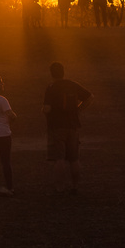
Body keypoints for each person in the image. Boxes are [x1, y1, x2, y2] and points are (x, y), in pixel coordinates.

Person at [43, 61, 92, 194]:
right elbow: (89, 97)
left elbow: (47, 108)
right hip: (73, 125)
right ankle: (75, 186)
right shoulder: (72, 84)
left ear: (51, 74)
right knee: (74, 159)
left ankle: (59, 188)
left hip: (57, 127)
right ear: (63, 72)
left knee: (59, 158)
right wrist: (78, 110)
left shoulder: (51, 87)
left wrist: (44, 110)